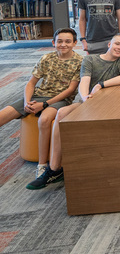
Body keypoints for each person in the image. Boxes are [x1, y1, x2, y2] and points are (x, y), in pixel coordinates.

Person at [27, 35, 120, 189]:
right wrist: (85, 98)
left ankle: (53, 169)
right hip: (89, 101)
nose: (119, 48)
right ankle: (54, 168)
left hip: (108, 104)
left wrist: (101, 85)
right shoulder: (90, 60)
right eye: (117, 44)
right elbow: (84, 82)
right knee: (62, 112)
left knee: (67, 113)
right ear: (109, 44)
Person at [0, 28, 81, 181]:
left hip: (59, 99)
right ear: (53, 43)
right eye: (60, 41)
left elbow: (70, 90)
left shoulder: (79, 62)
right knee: (3, 115)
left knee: (44, 120)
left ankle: (42, 165)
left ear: (75, 43)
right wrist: (27, 101)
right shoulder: (46, 58)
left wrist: (44, 104)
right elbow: (31, 83)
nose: (63, 44)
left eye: (68, 41)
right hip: (38, 95)